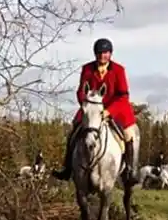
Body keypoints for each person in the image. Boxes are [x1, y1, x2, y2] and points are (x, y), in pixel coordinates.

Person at [51, 38, 138, 182]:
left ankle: (129, 170)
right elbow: (81, 91)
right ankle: (67, 169)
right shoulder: (87, 69)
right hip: (92, 109)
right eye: (99, 53)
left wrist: (109, 111)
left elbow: (123, 95)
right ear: (95, 54)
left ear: (110, 54)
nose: (102, 56)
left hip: (116, 110)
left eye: (105, 53)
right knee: (73, 133)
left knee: (129, 135)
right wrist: (86, 105)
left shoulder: (118, 70)